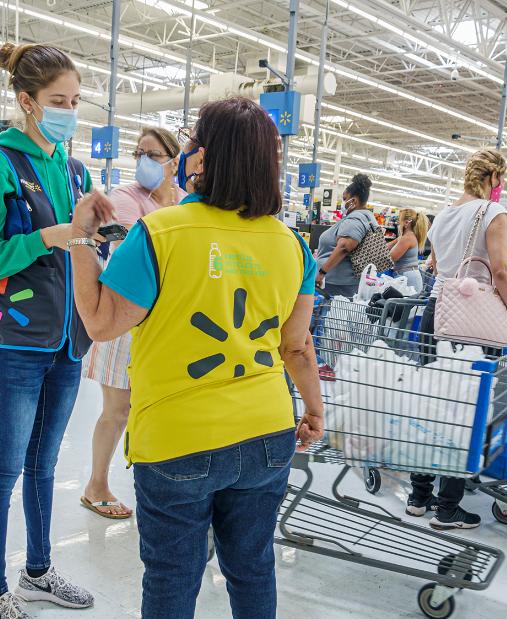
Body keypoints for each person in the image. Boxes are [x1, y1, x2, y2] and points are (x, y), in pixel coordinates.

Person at [68, 96, 325, 619]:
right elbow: (296, 345)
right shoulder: (294, 246)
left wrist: (78, 237)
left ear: (202, 158)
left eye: (190, 144)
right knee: (252, 567)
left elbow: (98, 321)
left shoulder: (158, 235)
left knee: (172, 575)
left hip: (177, 439)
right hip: (268, 432)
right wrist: (314, 409)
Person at [0, 42, 97, 619]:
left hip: (66, 341)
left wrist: (99, 231)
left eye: (75, 100)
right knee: (5, 467)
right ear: (26, 101)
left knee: (45, 466)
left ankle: (38, 572)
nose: (68, 110)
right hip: (14, 343)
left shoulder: (73, 168)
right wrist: (54, 235)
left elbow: (81, 250)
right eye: (58, 100)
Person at [414, 149, 507, 530]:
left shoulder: (442, 216)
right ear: (496, 180)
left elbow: (436, 267)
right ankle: (447, 507)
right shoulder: (492, 213)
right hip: (470, 324)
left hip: (435, 315)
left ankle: (418, 497)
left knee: (429, 407)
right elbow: (502, 272)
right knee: (463, 413)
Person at [79, 126, 186, 520]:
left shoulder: (186, 202)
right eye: (138, 151)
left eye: (152, 154)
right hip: (124, 318)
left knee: (156, 408)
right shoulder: (125, 198)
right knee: (117, 410)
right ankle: (97, 485)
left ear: (174, 162)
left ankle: (155, 487)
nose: (143, 160)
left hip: (165, 324)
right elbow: (133, 253)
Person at [315, 173, 375, 298]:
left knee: (330, 316)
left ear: (354, 201)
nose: (342, 203)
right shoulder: (366, 217)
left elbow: (344, 246)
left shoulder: (356, 219)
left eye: (344, 198)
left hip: (336, 285)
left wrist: (322, 273)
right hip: (341, 283)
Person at [387, 208, 429, 293]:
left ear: (406, 223)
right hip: (405, 275)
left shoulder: (407, 238)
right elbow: (386, 246)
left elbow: (390, 258)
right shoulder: (404, 237)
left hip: (408, 278)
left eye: (399, 221)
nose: (398, 224)